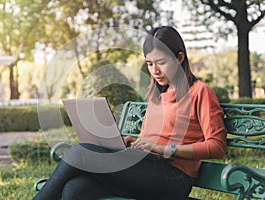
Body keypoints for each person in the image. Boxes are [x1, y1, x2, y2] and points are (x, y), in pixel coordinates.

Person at [33, 26, 227, 200]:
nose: (155, 71)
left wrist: (166, 149)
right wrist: (130, 142)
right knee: (74, 190)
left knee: (79, 152)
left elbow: (217, 146)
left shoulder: (200, 92)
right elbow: (149, 137)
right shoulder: (157, 94)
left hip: (173, 177)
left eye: (161, 62)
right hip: (145, 168)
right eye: (150, 64)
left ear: (180, 58)